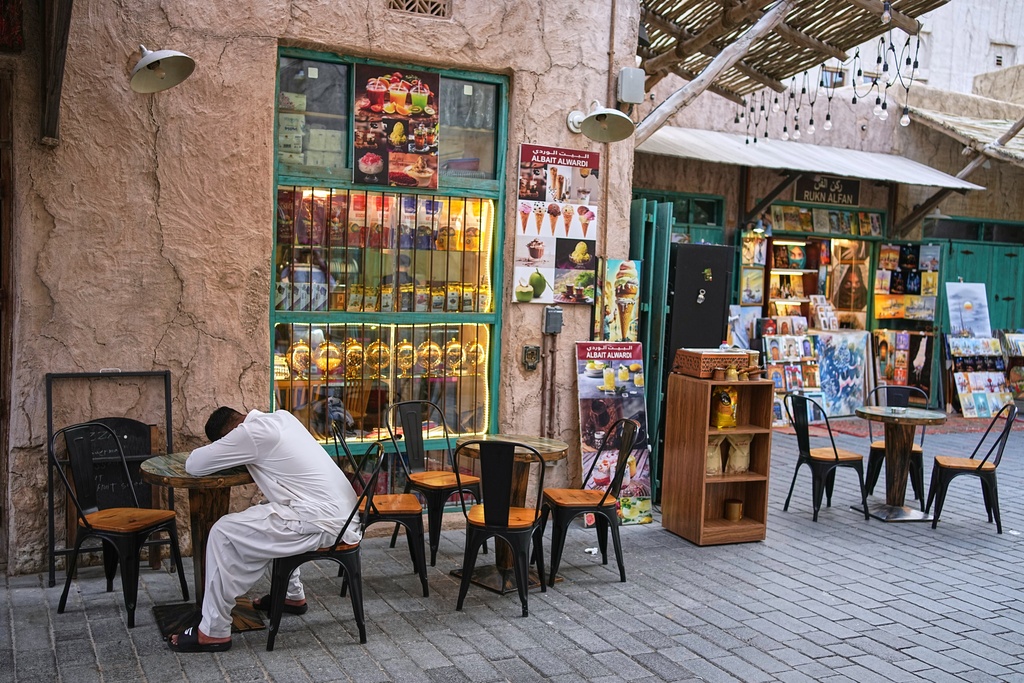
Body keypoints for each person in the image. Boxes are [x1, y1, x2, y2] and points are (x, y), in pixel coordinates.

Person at [169, 407, 359, 653]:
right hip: (344, 516)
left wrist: (228, 446)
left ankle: (213, 631)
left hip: (324, 523)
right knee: (268, 510)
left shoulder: (250, 433)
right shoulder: (282, 417)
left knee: (222, 532)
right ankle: (292, 596)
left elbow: (194, 464)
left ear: (230, 433)